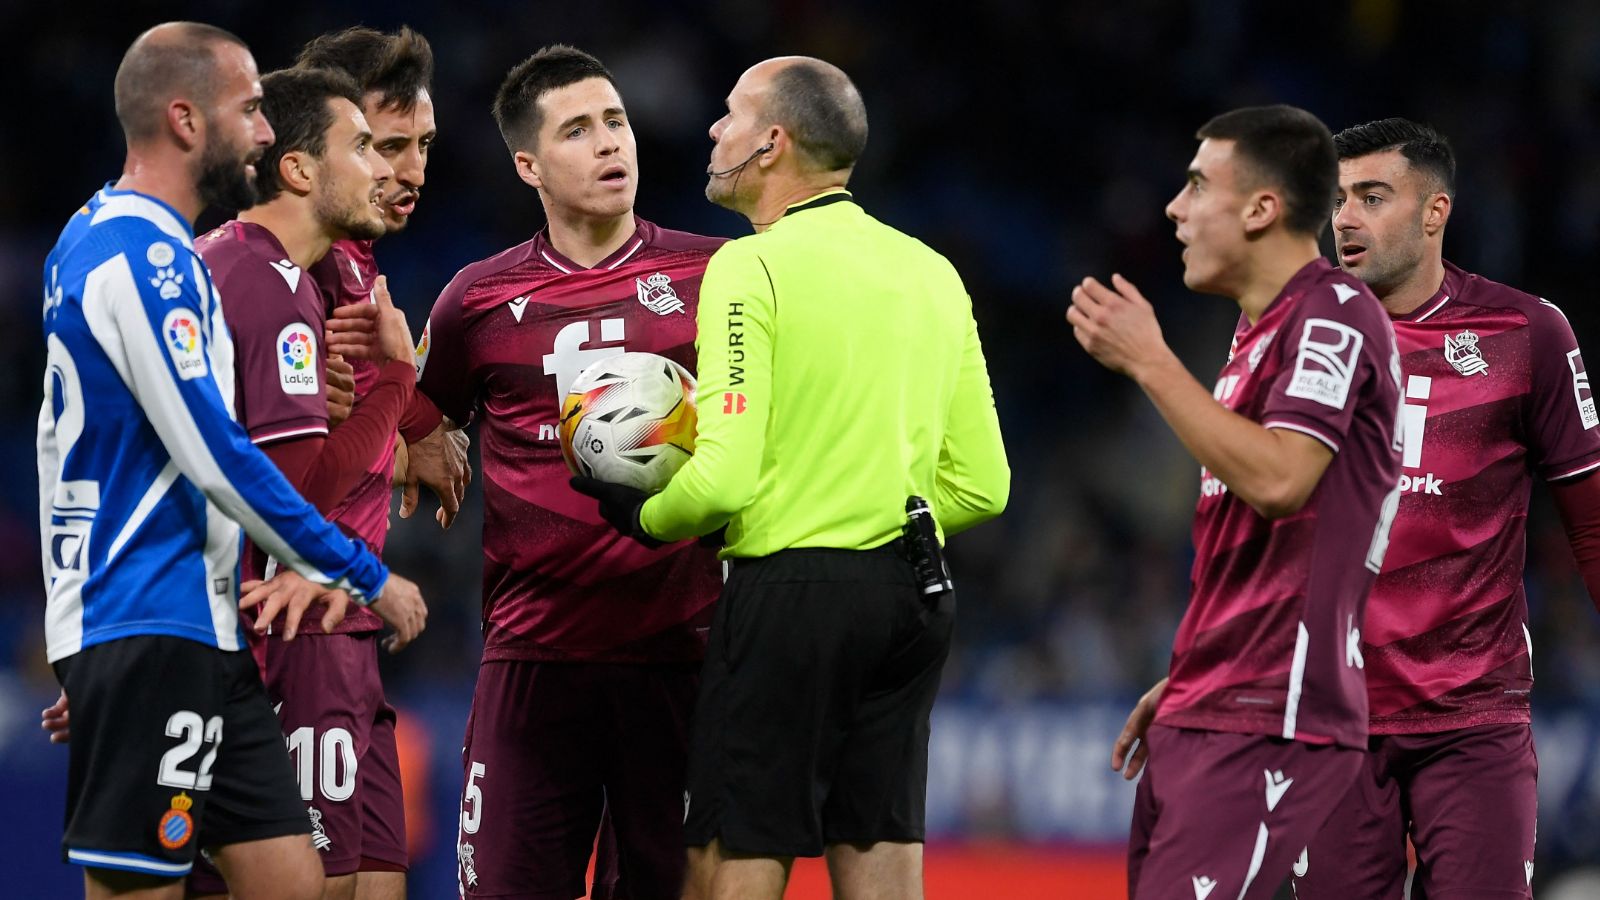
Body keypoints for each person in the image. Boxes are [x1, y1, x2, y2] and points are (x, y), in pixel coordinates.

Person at [573, 56, 1010, 900]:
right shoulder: (931, 270)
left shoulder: (750, 267)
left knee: (727, 862)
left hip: (791, 598)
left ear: (771, 144)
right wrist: (875, 511)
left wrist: (645, 514)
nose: (713, 129)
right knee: (879, 851)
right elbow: (985, 484)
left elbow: (725, 481)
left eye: (731, 114)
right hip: (914, 598)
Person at [37, 21, 423, 900]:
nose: (262, 130)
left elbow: (84, 441)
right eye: (250, 109)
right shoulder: (148, 260)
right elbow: (219, 456)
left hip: (193, 629)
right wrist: (364, 572)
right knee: (143, 888)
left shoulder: (104, 239)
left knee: (292, 881)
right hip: (147, 617)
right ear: (185, 119)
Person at [1066, 105, 1401, 899]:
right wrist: (1191, 673)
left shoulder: (1335, 313)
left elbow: (1282, 481)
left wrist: (1152, 363)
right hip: (1215, 700)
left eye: (1195, 184)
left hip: (1273, 713)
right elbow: (1259, 550)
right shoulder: (1255, 338)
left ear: (1261, 209)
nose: (1175, 209)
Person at [414, 45, 724, 899]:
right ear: (528, 165)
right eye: (578, 130)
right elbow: (418, 420)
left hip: (682, 655)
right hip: (533, 661)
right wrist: (424, 437)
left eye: (616, 123)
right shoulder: (474, 300)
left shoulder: (717, 276)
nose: (608, 144)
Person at [1284, 118, 1600, 898]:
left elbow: (1590, 520)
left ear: (1435, 213)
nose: (1345, 218)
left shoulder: (1526, 333)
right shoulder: (1292, 338)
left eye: (1372, 196)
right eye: (1337, 199)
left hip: (1473, 720)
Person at [182, 66, 423, 900]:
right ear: (297, 169)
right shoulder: (272, 286)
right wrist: (397, 378)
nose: (386, 169)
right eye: (366, 146)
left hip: (205, 630)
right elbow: (298, 497)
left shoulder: (232, 266)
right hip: (278, 629)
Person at [294, 25, 473, 536]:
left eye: (425, 144)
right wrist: (408, 440)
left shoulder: (352, 255)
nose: (416, 171)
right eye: (391, 146)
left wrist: (415, 427)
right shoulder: (296, 264)